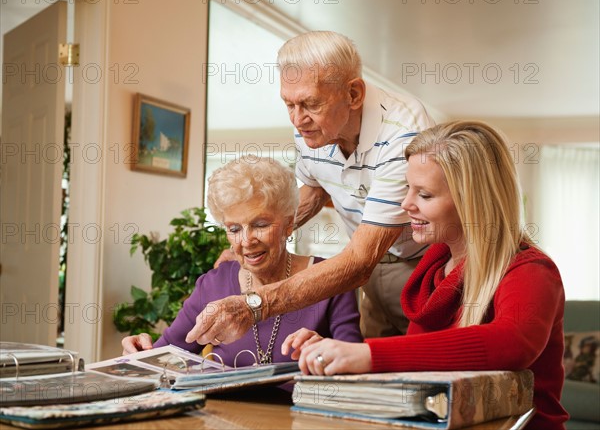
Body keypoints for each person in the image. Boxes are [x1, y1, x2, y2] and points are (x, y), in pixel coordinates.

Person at [281, 121, 569, 429]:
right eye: (408, 189)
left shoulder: (531, 270)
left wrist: (366, 355)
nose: (406, 205)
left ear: (472, 201)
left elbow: (511, 342)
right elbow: (420, 364)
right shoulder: (433, 268)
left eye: (425, 195)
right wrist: (335, 355)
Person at [188, 30, 435, 348]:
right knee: (379, 379)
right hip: (374, 274)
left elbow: (359, 261)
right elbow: (315, 190)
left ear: (354, 94)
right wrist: (265, 233)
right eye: (288, 104)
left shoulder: (405, 132)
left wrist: (254, 304)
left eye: (309, 104)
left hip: (424, 268)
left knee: (427, 370)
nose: (297, 119)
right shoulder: (312, 129)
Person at [122, 156, 362, 366]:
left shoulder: (330, 280)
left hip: (302, 415)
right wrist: (139, 350)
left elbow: (353, 367)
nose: (246, 241)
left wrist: (324, 351)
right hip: (225, 416)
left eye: (260, 225)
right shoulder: (212, 285)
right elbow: (166, 355)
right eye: (234, 228)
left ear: (289, 224)